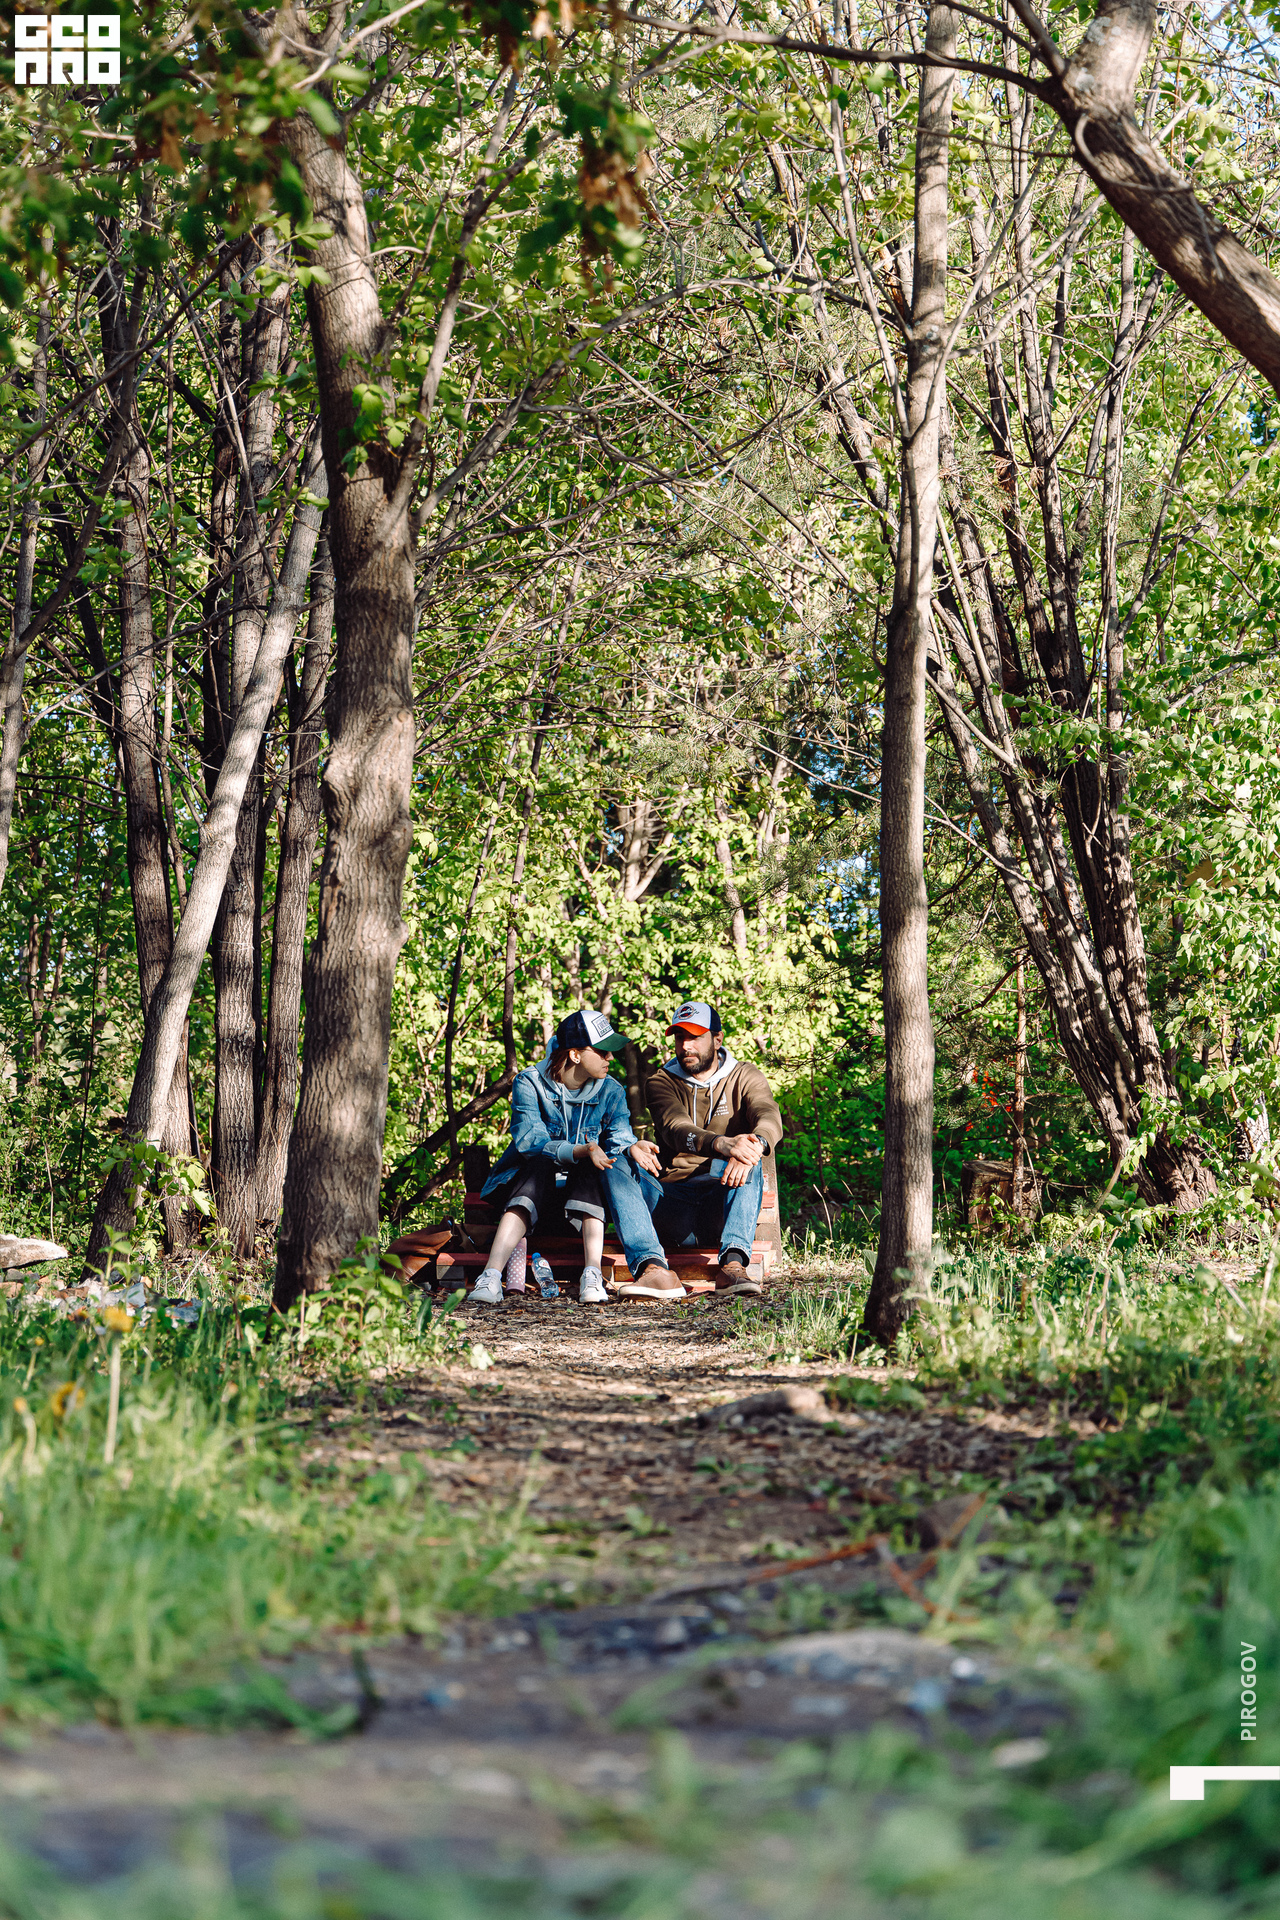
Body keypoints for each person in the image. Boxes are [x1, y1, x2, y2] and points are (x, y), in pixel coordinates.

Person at [467, 1008, 667, 1306]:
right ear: (575, 1055)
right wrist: (580, 1150)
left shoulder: (612, 1090)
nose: (610, 1058)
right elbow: (529, 1141)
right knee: (541, 1161)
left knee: (591, 1165)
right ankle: (491, 1276)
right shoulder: (529, 1082)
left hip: (582, 1208)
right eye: (602, 1051)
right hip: (532, 1200)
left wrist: (631, 1147)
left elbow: (618, 1139)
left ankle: (592, 1274)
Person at [612, 1000, 783, 1298]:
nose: (686, 1046)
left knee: (750, 1154)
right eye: (680, 1038)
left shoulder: (744, 1075)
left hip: (720, 1201)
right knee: (618, 1163)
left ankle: (732, 1268)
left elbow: (768, 1114)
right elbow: (675, 1128)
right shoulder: (661, 1081)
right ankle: (652, 1269)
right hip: (670, 1201)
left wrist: (754, 1144)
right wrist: (724, 1144)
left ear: (717, 1039)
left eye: (695, 1037)